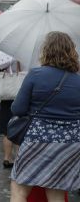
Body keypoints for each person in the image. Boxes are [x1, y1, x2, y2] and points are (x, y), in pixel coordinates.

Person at [10, 32, 80, 202]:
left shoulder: (36, 75)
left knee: (19, 189)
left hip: (37, 139)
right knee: (56, 192)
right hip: (70, 143)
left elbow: (18, 109)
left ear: (46, 50)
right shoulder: (78, 80)